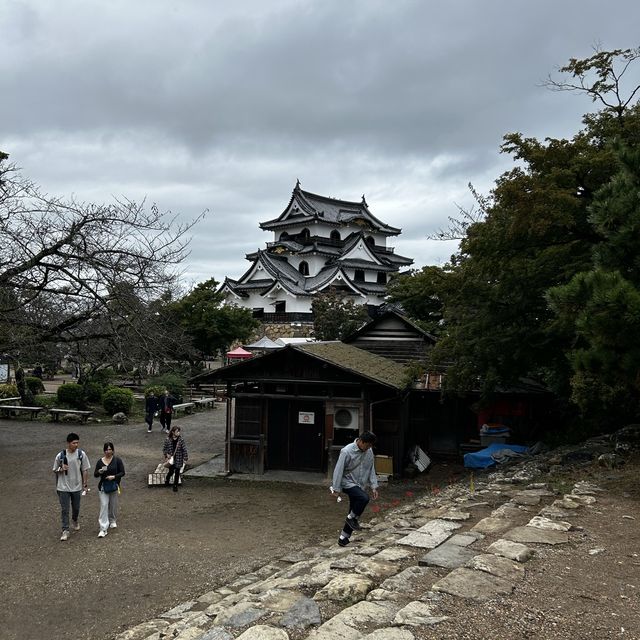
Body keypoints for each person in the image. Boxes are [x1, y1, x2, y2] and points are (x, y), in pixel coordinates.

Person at [331, 431, 379, 547]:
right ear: (361, 441)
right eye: (367, 445)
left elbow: (371, 468)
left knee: (353, 510)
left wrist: (374, 486)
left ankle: (343, 538)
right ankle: (351, 518)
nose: (368, 448)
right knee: (363, 498)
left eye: (370, 446)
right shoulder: (346, 451)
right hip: (347, 482)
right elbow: (338, 470)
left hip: (360, 484)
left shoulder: (369, 451)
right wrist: (336, 489)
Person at [53, 432, 91, 541]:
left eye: (77, 443)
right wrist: (61, 469)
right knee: (65, 509)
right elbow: (54, 470)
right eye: (74, 443)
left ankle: (75, 519)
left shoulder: (81, 454)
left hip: (76, 486)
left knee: (76, 507)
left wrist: (85, 484)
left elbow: (85, 469)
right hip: (63, 487)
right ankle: (65, 530)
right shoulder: (60, 456)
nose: (76, 445)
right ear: (68, 443)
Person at [93, 442, 125, 538]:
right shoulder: (100, 462)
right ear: (104, 451)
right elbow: (95, 474)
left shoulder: (117, 460)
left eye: (110, 449)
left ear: (113, 450)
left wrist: (114, 477)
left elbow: (122, 472)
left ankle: (112, 520)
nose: (108, 451)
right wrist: (99, 471)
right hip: (103, 486)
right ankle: (103, 528)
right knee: (104, 505)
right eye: (106, 449)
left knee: (113, 504)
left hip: (114, 485)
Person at [163, 426, 188, 492]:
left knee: (177, 472)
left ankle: (175, 485)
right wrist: (166, 455)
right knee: (171, 471)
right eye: (177, 431)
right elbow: (164, 449)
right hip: (171, 459)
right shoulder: (168, 440)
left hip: (179, 458)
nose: (179, 433)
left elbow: (184, 449)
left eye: (179, 431)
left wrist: (185, 458)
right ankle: (167, 479)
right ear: (173, 432)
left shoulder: (181, 440)